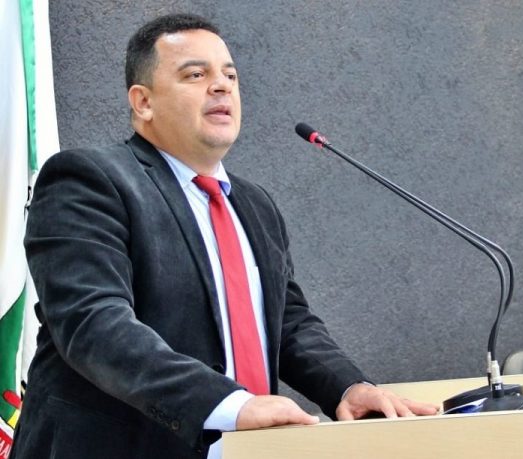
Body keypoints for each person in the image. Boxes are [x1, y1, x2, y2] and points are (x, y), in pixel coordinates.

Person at [10, 13, 438, 459]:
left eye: (229, 76)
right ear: (143, 102)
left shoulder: (254, 204)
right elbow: (94, 324)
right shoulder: (89, 181)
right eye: (196, 75)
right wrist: (227, 404)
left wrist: (348, 387)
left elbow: (289, 323)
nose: (221, 86)